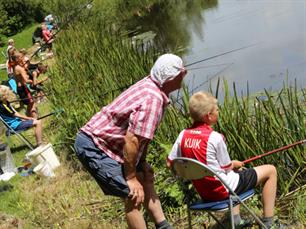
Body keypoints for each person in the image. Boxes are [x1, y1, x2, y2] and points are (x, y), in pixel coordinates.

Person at [74, 54, 187, 229]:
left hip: (110, 146)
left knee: (146, 177)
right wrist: (131, 177)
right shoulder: (153, 99)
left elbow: (142, 138)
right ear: (171, 78)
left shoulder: (153, 85)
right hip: (94, 145)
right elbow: (132, 140)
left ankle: (164, 226)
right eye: (182, 71)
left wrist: (141, 163)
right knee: (133, 195)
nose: (185, 73)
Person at [167, 92, 281, 229]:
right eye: (217, 109)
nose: (218, 111)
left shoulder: (183, 135)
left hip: (204, 192)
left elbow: (170, 163)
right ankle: (269, 223)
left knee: (234, 175)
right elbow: (227, 167)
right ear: (209, 115)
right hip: (223, 191)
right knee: (271, 170)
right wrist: (235, 164)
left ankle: (236, 220)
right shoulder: (215, 137)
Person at [11, 52, 37, 118]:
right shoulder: (20, 69)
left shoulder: (15, 67)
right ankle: (34, 118)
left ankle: (30, 117)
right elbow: (26, 81)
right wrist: (33, 78)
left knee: (31, 103)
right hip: (22, 88)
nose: (22, 58)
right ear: (17, 59)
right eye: (21, 57)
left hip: (21, 88)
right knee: (31, 103)